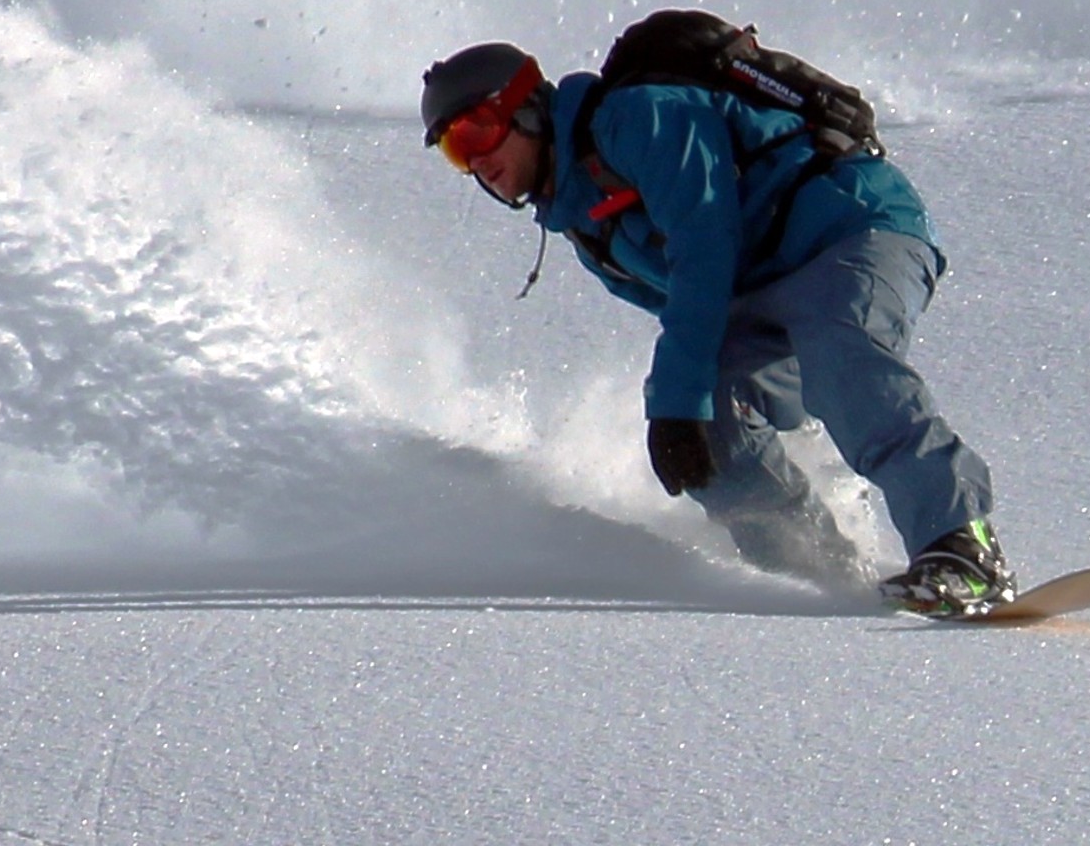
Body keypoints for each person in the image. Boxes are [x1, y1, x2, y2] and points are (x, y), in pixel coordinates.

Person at [420, 38, 1014, 615]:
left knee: (839, 351)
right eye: (453, 151)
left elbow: (704, 247)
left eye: (476, 132)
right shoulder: (587, 230)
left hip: (848, 230)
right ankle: (818, 571)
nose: (474, 162)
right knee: (712, 427)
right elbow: (693, 316)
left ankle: (962, 547)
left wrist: (677, 400)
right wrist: (700, 408)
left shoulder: (638, 117)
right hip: (761, 294)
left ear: (525, 109)